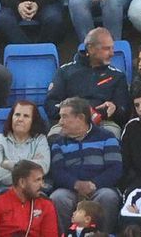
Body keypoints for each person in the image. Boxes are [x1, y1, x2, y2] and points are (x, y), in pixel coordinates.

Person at [47, 97, 122, 231]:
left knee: (108, 197)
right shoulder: (58, 142)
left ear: (81, 118)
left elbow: (115, 169)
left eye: (64, 117)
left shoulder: (107, 137)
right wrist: (76, 184)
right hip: (70, 189)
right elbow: (57, 172)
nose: (60, 122)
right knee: (57, 198)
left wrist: (94, 184)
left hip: (100, 187)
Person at [0, 160, 59, 237]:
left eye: (42, 180)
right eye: (37, 180)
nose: (41, 185)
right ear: (22, 182)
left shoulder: (46, 204)